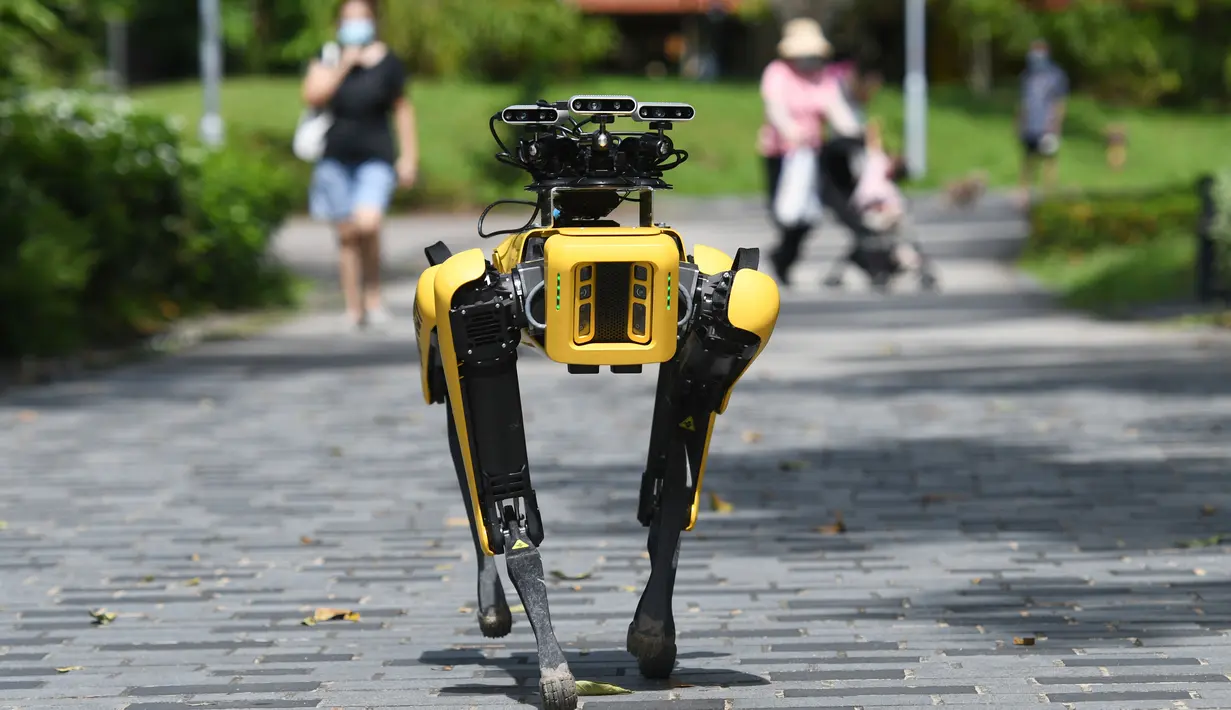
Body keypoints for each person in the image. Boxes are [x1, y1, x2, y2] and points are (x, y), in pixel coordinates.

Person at [301, 0, 418, 330]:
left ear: (373, 21)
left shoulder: (389, 62)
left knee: (369, 224)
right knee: (348, 234)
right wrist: (344, 65)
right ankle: (354, 307)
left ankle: (374, 298)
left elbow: (403, 110)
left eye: (361, 18)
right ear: (338, 24)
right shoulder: (327, 57)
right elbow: (313, 96)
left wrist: (408, 157)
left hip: (376, 155)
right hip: (335, 156)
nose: (355, 24)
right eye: (348, 18)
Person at [759, 17, 845, 286]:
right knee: (782, 213)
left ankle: (785, 258)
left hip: (812, 154)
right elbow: (775, 108)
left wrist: (854, 133)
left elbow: (836, 109)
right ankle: (783, 257)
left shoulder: (824, 76)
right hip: (780, 152)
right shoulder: (777, 72)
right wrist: (791, 131)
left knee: (808, 216)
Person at [1016, 39, 1068, 205]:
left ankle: (1049, 196)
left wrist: (1056, 125)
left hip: (1048, 127)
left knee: (1049, 161)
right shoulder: (1027, 75)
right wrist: (1019, 122)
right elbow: (1024, 102)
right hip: (1030, 126)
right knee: (1028, 161)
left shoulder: (1055, 75)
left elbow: (1060, 103)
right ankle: (1023, 197)